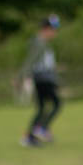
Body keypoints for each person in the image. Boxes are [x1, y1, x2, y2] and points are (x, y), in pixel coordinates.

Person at [18, 14, 62, 147]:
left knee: (42, 107)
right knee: (56, 103)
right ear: (46, 29)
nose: (55, 33)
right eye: (53, 29)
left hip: (45, 77)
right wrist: (22, 76)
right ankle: (41, 129)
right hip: (42, 78)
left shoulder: (43, 43)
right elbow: (30, 61)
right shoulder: (38, 42)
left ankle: (31, 136)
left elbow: (43, 62)